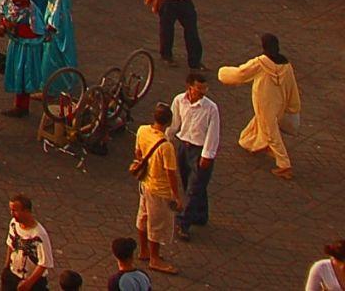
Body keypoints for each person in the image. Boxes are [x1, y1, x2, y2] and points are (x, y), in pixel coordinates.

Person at [215, 32, 301, 179]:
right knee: (259, 125)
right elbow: (292, 86)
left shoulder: (260, 63)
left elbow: (241, 73)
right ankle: (249, 142)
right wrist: (292, 105)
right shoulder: (286, 64)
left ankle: (284, 165)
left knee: (270, 132)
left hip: (264, 103)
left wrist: (222, 73)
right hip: (279, 103)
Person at [129, 104, 180, 277]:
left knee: (143, 217)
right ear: (169, 122)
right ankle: (155, 258)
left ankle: (143, 250)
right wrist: (177, 196)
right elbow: (171, 174)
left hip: (144, 183)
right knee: (157, 225)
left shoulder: (142, 130)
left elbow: (138, 153)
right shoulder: (167, 146)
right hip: (160, 190)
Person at [169, 70, 219, 238]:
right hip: (183, 147)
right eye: (198, 89)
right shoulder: (179, 101)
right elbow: (174, 124)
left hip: (200, 151)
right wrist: (164, 139)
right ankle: (200, 215)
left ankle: (183, 224)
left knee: (194, 188)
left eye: (204, 89)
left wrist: (207, 155)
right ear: (189, 87)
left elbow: (213, 133)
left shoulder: (211, 108)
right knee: (189, 183)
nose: (202, 93)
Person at [1, 194, 53, 291]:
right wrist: (6, 268)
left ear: (27, 211)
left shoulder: (39, 234)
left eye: (15, 211)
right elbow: (10, 245)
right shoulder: (13, 224)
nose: (12, 214)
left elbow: (44, 263)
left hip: (32, 282)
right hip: (13, 275)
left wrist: (28, 283)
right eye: (11, 210)